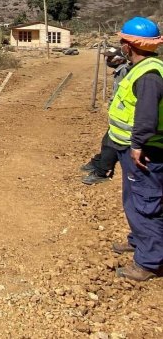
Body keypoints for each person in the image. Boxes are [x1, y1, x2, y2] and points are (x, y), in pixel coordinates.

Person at [106, 17, 163, 281]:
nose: (121, 46)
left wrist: (138, 144)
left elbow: (146, 115)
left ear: (129, 45)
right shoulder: (147, 67)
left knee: (145, 203)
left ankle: (149, 262)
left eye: (123, 42)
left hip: (144, 151)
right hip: (133, 148)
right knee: (135, 199)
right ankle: (139, 240)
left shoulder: (148, 75)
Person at [81, 47, 132, 184]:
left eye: (110, 57)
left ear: (119, 58)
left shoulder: (125, 71)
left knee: (110, 144)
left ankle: (102, 171)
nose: (107, 60)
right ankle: (98, 164)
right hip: (119, 117)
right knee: (107, 142)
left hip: (126, 119)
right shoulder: (119, 72)